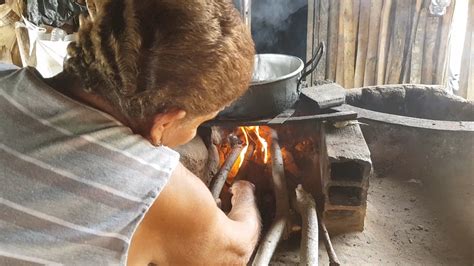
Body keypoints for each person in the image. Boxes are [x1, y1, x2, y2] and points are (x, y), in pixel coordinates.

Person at [0, 0, 261, 265]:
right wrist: (245, 193)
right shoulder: (152, 187)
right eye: (199, 123)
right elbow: (236, 250)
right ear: (165, 123)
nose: (193, 133)